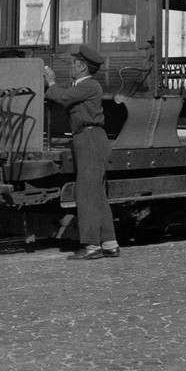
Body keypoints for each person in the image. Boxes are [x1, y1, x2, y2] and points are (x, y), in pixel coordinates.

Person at [44, 44, 120, 260]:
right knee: (96, 193)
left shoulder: (89, 86)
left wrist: (50, 82)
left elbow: (65, 97)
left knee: (86, 193)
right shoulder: (83, 85)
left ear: (84, 68)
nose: (72, 67)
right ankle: (109, 243)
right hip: (88, 138)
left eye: (75, 64)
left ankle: (91, 246)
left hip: (89, 139)